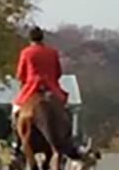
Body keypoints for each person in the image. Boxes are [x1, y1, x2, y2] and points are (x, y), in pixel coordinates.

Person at [13, 25, 81, 153]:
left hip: (31, 88)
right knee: (65, 111)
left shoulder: (26, 52)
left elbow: (20, 74)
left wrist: (26, 80)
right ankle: (69, 141)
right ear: (42, 38)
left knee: (16, 110)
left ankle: (17, 143)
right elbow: (58, 73)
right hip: (51, 87)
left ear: (30, 39)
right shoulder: (52, 52)